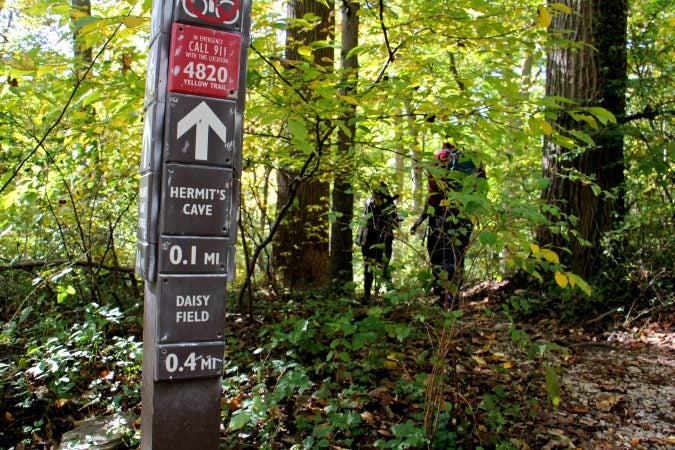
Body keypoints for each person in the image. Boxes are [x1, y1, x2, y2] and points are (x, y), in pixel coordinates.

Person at [410, 142, 486, 308]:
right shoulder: (475, 160)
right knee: (456, 255)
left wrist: (421, 218)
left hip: (440, 215)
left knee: (438, 255)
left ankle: (442, 298)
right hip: (465, 215)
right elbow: (482, 188)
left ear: (446, 142)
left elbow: (433, 193)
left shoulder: (439, 158)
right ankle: (453, 298)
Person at [358, 184, 401, 300]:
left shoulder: (387, 203)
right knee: (375, 267)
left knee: (380, 267)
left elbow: (395, 221)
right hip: (372, 240)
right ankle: (371, 294)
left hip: (379, 240)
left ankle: (384, 294)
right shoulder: (372, 203)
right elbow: (394, 222)